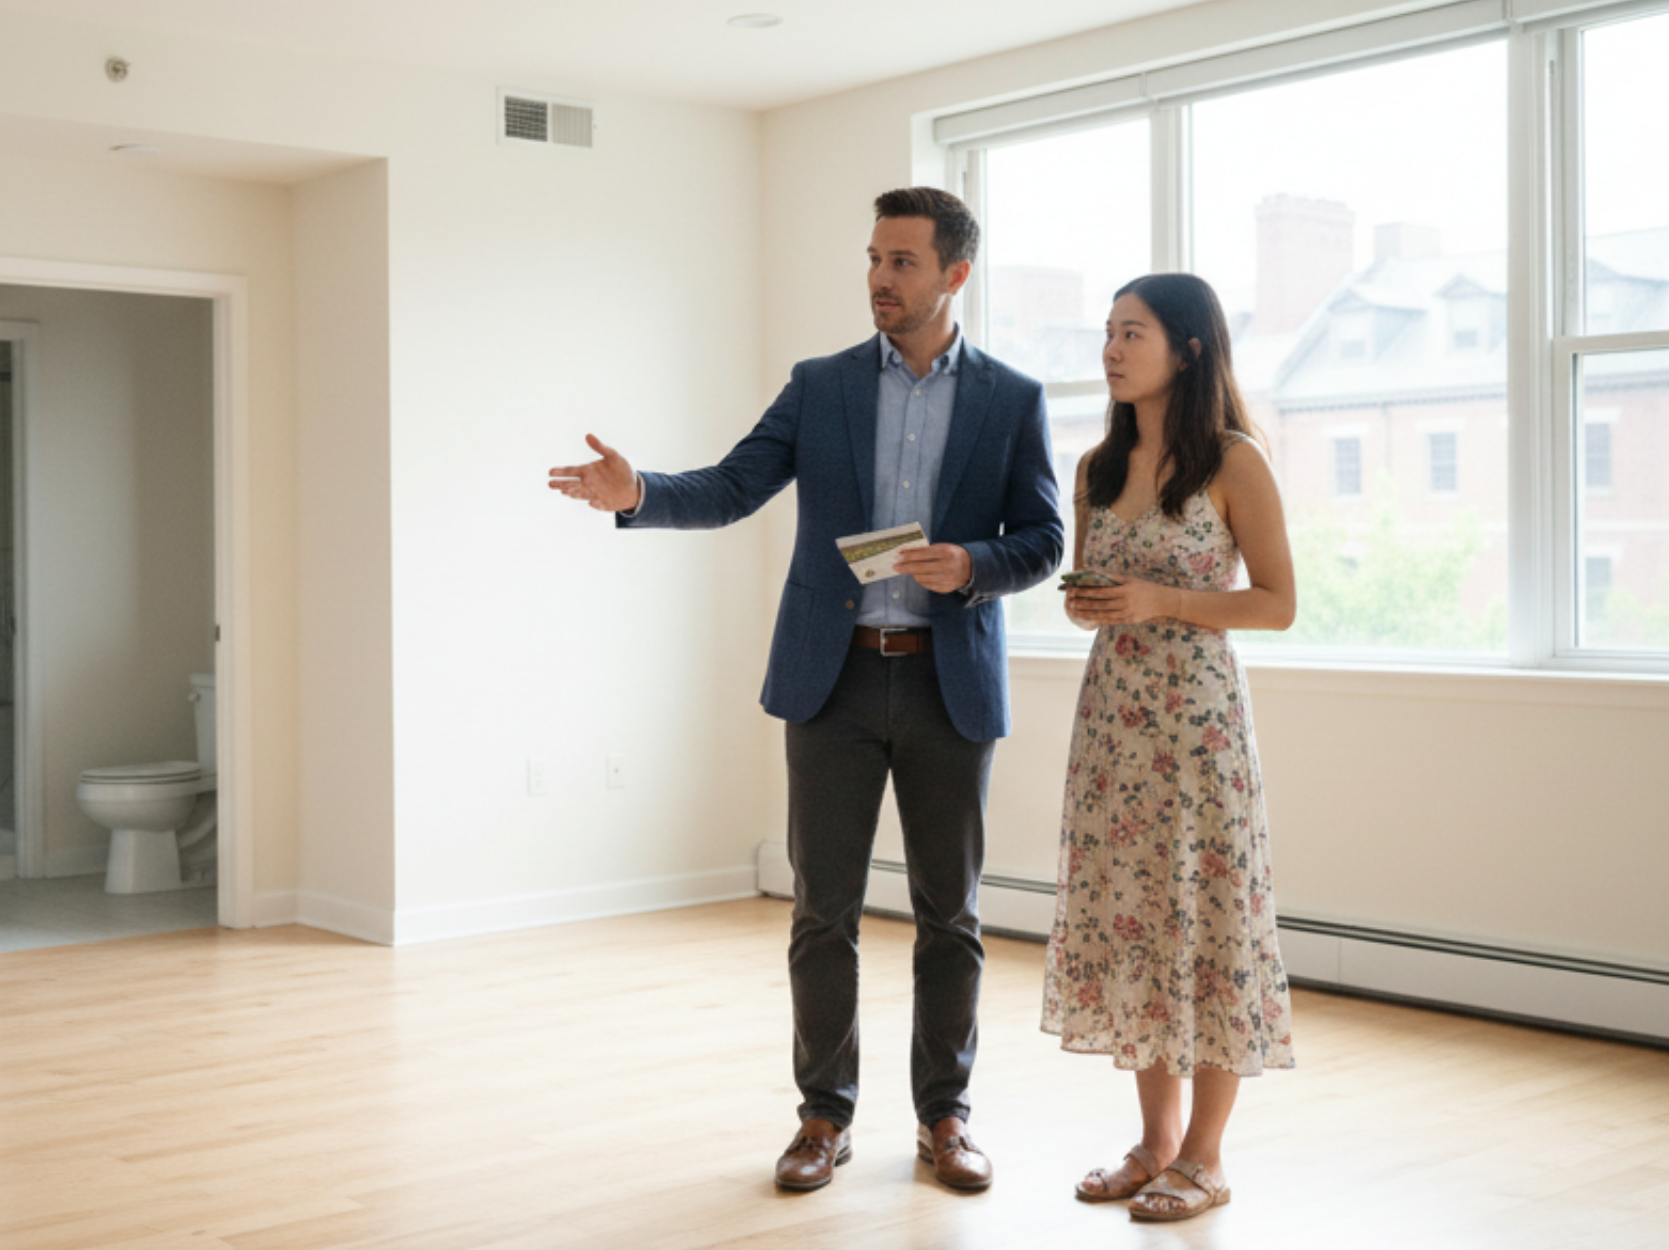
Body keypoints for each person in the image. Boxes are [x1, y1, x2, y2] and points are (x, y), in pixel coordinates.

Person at [547, 187, 1062, 1195]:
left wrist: (975, 563)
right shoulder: (820, 384)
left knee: (948, 916)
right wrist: (640, 491)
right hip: (829, 681)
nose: (879, 277)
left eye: (903, 261)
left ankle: (944, 1117)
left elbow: (1044, 538)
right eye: (873, 258)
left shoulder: (1011, 397)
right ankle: (821, 1115)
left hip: (946, 687)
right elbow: (735, 484)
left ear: (954, 273)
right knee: (820, 911)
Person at [1040, 272, 1297, 1223]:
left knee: (1211, 924)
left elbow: (1276, 603)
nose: (1110, 349)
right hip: (1112, 722)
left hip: (1198, 729)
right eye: (1106, 332)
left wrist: (1161, 601)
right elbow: (1096, 593)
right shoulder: (1097, 467)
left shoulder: (1236, 462)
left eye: (1132, 333)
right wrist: (1091, 603)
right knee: (1136, 921)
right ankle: (1152, 1145)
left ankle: (1206, 1156)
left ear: (1187, 349)